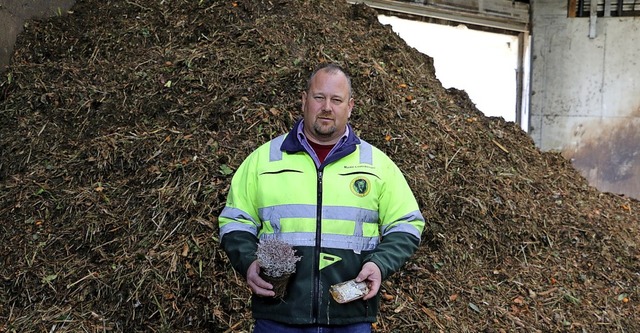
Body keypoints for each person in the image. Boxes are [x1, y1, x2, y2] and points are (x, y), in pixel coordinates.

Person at [218, 63, 425, 333]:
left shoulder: (377, 165)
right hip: (279, 314)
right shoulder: (264, 160)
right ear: (304, 101)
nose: (327, 107)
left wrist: (379, 264)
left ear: (350, 106)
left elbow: (406, 223)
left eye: (336, 100)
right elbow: (235, 221)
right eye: (319, 97)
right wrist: (248, 262)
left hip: (349, 316)